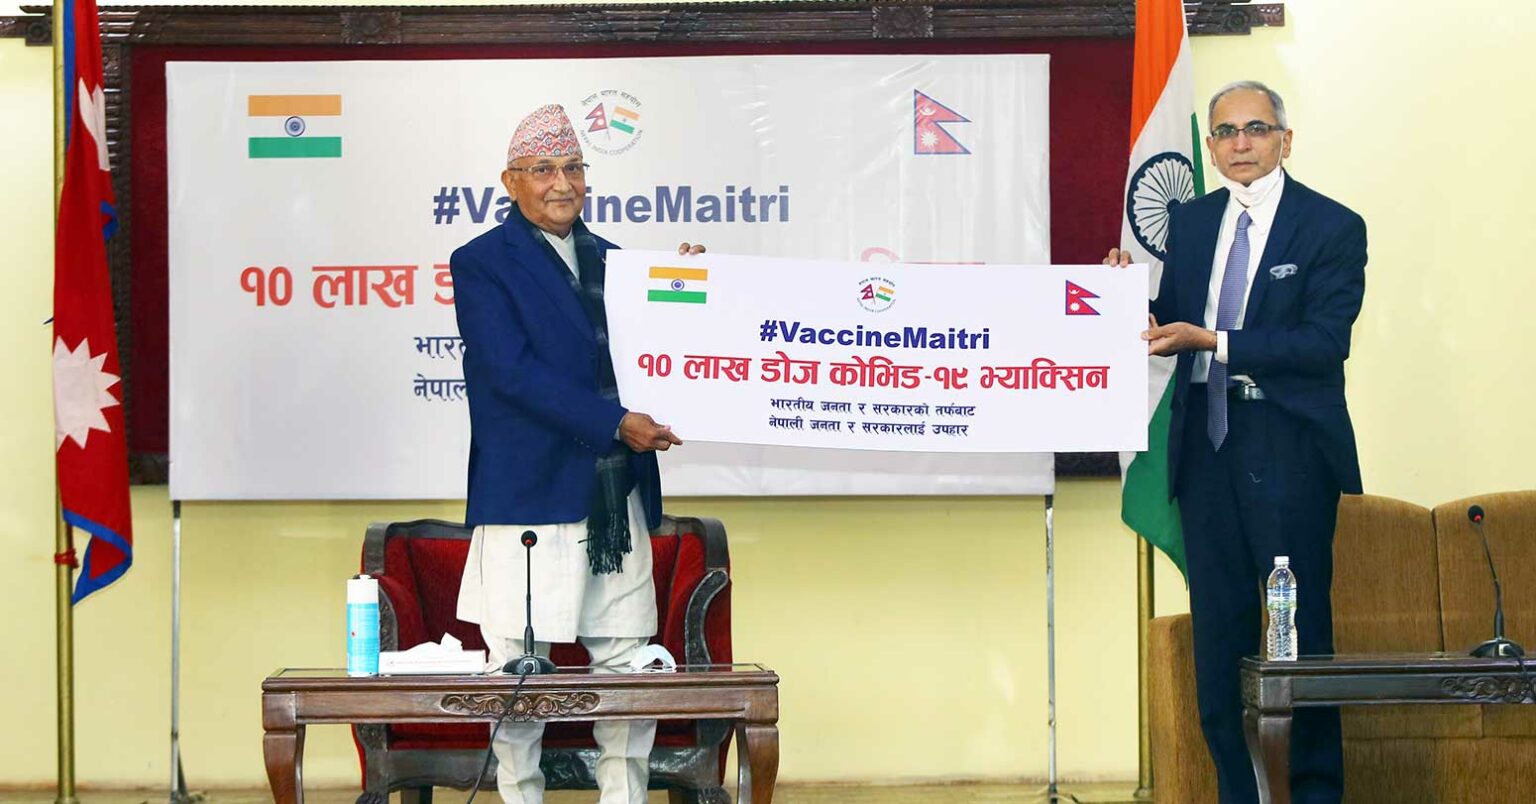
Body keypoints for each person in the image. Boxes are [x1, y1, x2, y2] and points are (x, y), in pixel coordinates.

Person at [1108, 81, 1366, 804]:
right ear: (1212, 147)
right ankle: (1239, 791)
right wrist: (1126, 300)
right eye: (1225, 132)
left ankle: (1311, 792)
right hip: (1205, 450)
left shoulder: (1331, 226)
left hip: (1286, 449)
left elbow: (1323, 343)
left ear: (1286, 139)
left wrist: (1214, 341)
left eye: (1256, 128)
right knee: (1220, 635)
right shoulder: (1192, 223)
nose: (1240, 143)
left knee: (1296, 633)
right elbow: (1174, 324)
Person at [449, 102, 704, 804]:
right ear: (511, 182)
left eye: (572, 168)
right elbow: (510, 372)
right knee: (516, 666)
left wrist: (688, 292)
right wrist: (616, 422)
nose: (561, 183)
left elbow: (655, 350)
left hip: (612, 497)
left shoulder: (617, 263)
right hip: (529, 494)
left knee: (628, 661)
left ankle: (625, 797)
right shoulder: (481, 263)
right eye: (543, 170)